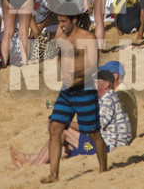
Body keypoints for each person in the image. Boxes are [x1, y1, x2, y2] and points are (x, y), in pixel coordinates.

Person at [39, 11, 107, 184]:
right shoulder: (63, 34)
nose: (60, 24)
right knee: (55, 128)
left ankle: (104, 170)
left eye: (64, 21)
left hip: (85, 90)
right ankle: (54, 174)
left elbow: (92, 66)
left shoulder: (88, 38)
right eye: (59, 21)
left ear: (74, 19)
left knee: (93, 133)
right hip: (67, 91)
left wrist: (72, 73)